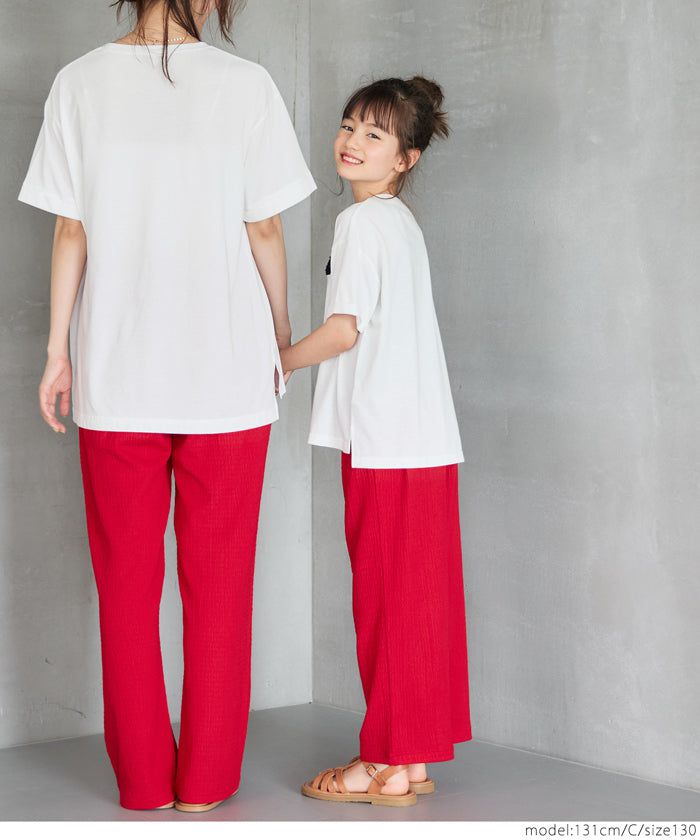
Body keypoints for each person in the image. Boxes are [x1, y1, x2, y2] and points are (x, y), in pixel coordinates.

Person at [17, 0, 315, 813]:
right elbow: (264, 227)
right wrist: (279, 327)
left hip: (117, 372)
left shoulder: (78, 82)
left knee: (125, 585)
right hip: (228, 373)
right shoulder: (247, 84)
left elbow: (71, 229)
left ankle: (144, 783)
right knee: (222, 588)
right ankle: (206, 783)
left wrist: (57, 352)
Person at [281, 76, 472, 807]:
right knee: (418, 605)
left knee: (387, 606)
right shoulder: (400, 223)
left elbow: (343, 331)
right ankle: (411, 758)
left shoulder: (361, 223)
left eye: (375, 134)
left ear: (406, 157)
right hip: (426, 443)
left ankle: (383, 763)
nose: (352, 142)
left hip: (385, 444)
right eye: (349, 125)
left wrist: (277, 360)